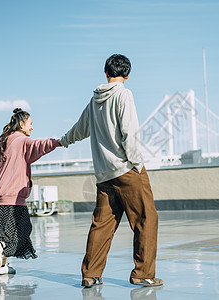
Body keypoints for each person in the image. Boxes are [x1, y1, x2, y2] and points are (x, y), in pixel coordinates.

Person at [60, 54, 163, 288]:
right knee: (147, 219)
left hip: (104, 175)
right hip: (127, 170)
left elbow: (80, 128)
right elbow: (129, 131)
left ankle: (90, 274)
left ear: (106, 73)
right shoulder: (124, 94)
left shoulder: (94, 99)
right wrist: (137, 163)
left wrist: (64, 141)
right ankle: (143, 273)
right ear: (127, 75)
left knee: (102, 225)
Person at [0, 108, 61, 275]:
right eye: (30, 124)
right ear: (22, 124)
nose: (32, 128)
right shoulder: (22, 141)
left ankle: (1, 267)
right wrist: (58, 142)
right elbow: (39, 145)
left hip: (0, 194)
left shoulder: (4, 140)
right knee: (23, 228)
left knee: (5, 231)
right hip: (13, 194)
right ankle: (1, 247)